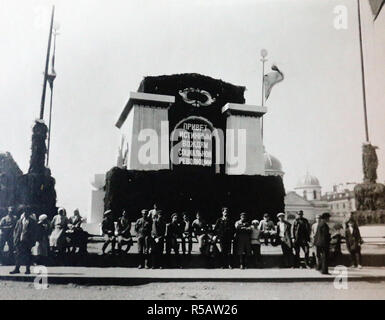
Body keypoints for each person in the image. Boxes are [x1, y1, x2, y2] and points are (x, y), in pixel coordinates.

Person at [10, 210, 37, 274]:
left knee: (27, 255)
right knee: (18, 254)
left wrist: (33, 241)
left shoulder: (32, 221)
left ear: (29, 213)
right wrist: (15, 238)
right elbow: (16, 230)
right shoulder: (19, 221)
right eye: (25, 212)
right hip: (19, 240)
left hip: (27, 240)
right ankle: (17, 269)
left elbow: (34, 232)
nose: (26, 214)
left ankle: (27, 269)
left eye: (27, 212)